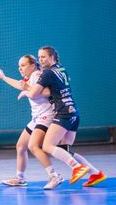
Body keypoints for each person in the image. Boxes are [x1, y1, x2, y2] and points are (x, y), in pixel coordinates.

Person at [18, 46, 106, 187]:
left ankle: (76, 167)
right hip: (73, 112)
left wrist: (25, 91)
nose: (41, 60)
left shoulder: (47, 73)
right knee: (65, 149)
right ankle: (96, 173)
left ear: (52, 57)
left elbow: (34, 93)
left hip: (63, 112)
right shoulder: (61, 69)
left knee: (47, 146)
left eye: (43, 57)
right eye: (39, 57)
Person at [0, 55, 56, 188]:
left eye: (23, 65)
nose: (20, 68)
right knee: (21, 146)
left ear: (32, 66)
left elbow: (48, 92)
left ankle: (54, 176)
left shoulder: (37, 75)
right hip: (36, 118)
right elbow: (19, 84)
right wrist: (4, 78)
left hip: (46, 116)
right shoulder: (29, 78)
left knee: (33, 146)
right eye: (19, 66)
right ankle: (20, 178)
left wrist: (28, 90)